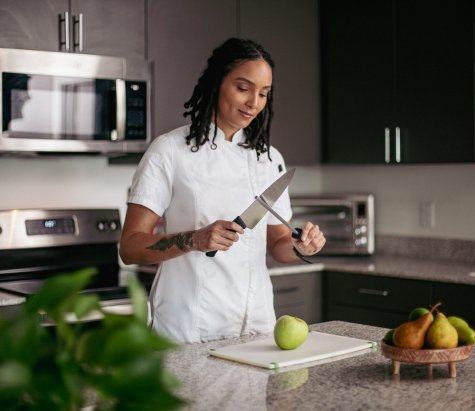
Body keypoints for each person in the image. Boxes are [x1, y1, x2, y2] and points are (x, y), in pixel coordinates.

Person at [119, 38, 326, 344]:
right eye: (243, 88)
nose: (253, 102)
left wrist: (302, 247)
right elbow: (130, 247)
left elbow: (278, 244)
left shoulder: (269, 160)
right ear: (217, 83)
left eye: (263, 94)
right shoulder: (169, 151)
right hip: (188, 331)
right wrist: (194, 239)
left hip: (256, 329)